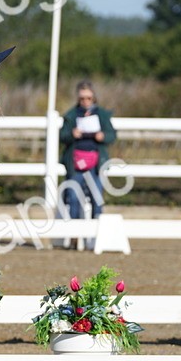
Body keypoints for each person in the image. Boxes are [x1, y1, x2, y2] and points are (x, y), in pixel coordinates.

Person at [58, 80, 117, 249]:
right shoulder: (71, 115)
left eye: (88, 98)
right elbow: (62, 136)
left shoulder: (102, 115)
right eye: (82, 98)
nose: (85, 101)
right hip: (76, 163)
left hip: (95, 164)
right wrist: (72, 134)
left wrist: (103, 136)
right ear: (78, 98)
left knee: (97, 199)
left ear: (94, 97)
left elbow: (112, 135)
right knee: (73, 198)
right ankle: (75, 236)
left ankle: (96, 238)